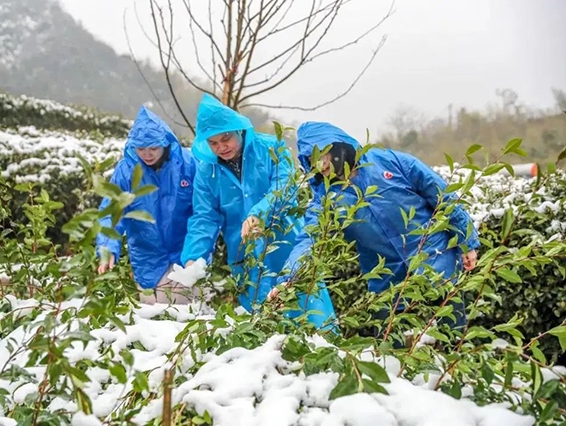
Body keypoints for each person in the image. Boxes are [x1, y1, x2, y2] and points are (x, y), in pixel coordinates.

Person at [279, 121, 480, 332]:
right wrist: (288, 279)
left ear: (335, 146)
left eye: (321, 155)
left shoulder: (390, 162)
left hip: (435, 258)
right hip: (387, 278)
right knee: (389, 343)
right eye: (311, 160)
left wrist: (466, 242)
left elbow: (442, 196)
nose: (319, 165)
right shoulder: (326, 199)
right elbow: (309, 240)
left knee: (453, 333)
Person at [181, 94, 335, 328]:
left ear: (239, 131)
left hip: (286, 245)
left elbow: (284, 187)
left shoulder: (271, 149)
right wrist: (195, 257)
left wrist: (259, 215)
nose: (221, 147)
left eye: (226, 139)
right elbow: (204, 217)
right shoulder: (206, 172)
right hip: (245, 255)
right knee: (259, 325)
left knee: (309, 313)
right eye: (213, 143)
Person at [96, 106, 197, 304]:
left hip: (184, 253)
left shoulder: (187, 164)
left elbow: (202, 210)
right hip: (147, 257)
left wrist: (198, 251)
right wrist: (107, 246)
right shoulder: (126, 170)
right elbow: (112, 210)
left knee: (184, 317)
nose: (147, 154)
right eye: (141, 149)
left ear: (164, 143)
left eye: (153, 148)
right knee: (151, 320)